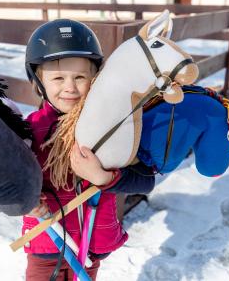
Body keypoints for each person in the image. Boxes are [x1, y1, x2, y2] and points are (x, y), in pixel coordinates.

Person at [23, 19, 155, 281]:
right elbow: (6, 179)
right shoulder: (30, 130)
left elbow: (146, 181)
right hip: (45, 245)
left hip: (90, 247)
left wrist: (105, 178)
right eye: (58, 77)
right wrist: (24, 202)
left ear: (95, 79)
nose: (70, 87)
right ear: (39, 81)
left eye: (80, 77)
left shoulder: (114, 128)